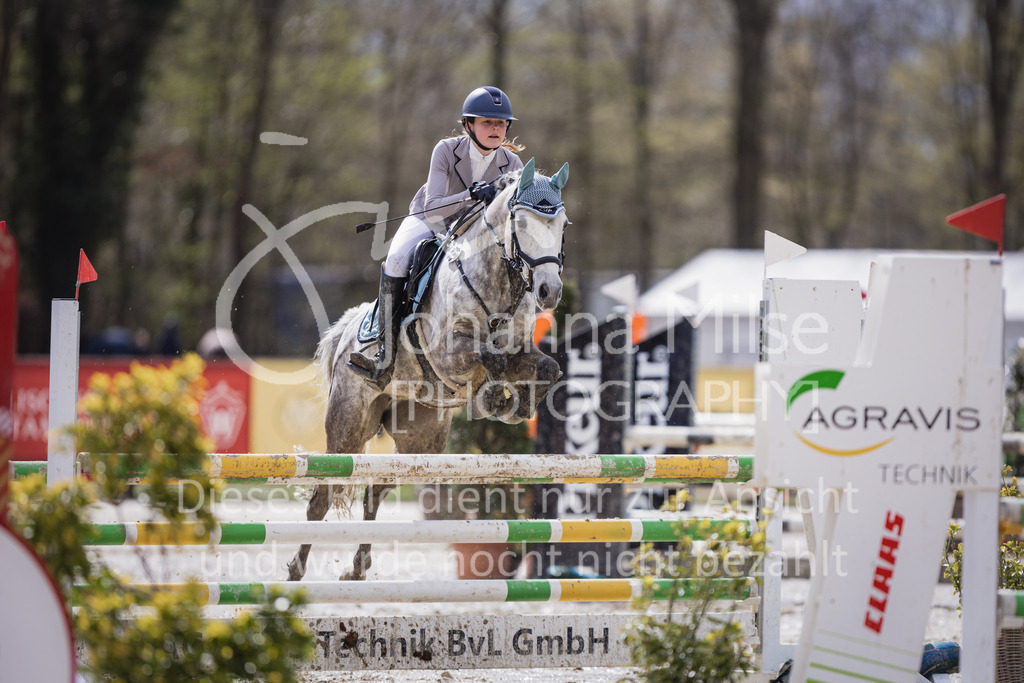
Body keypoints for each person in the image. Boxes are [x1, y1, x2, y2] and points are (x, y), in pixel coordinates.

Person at [349, 86, 525, 389]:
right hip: (431, 220)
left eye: (500, 123)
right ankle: (384, 353)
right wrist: (471, 194)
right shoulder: (446, 149)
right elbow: (433, 206)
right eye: (487, 122)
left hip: (474, 231)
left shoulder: (513, 165)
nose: (496, 129)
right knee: (396, 258)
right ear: (469, 124)